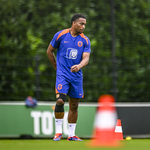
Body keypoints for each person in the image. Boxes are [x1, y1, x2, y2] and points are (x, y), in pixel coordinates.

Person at [46, 13, 91, 141]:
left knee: (74, 105)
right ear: (74, 23)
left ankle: (71, 134)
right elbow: (49, 51)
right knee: (60, 100)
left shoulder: (85, 40)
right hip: (62, 75)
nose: (83, 26)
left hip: (76, 77)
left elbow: (86, 58)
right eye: (81, 24)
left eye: (84, 25)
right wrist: (57, 67)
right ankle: (58, 132)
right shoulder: (60, 35)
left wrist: (79, 65)